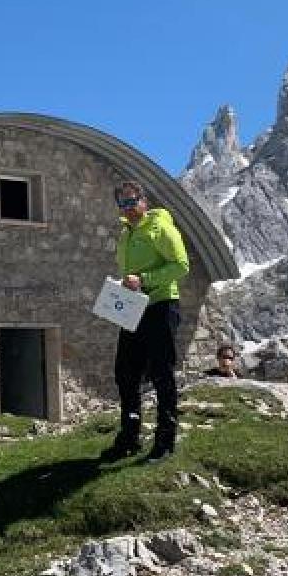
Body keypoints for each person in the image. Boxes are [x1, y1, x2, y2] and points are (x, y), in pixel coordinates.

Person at [103, 181, 190, 463]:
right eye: (123, 204)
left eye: (132, 202)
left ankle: (165, 442)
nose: (128, 209)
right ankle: (130, 436)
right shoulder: (126, 233)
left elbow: (181, 265)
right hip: (133, 308)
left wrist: (145, 281)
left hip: (161, 306)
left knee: (161, 373)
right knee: (125, 373)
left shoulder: (160, 227)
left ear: (144, 201)